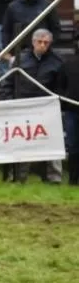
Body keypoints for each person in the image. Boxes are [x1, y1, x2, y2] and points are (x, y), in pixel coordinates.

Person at [1, 29, 63, 184]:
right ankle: (19, 177)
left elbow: (61, 87)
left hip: (47, 109)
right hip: (23, 108)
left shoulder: (57, 61)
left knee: (52, 141)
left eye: (46, 42)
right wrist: (10, 102)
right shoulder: (20, 59)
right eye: (39, 42)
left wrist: (56, 104)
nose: (42, 45)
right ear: (33, 42)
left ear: (50, 44)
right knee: (22, 143)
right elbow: (8, 83)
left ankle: (54, 178)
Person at [61, 39, 79, 184]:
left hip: (72, 111)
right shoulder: (68, 63)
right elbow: (60, 85)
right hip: (72, 111)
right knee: (73, 146)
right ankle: (73, 179)